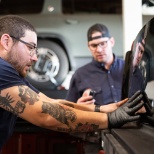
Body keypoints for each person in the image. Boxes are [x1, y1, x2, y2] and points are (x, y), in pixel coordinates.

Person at [0, 15, 144, 152]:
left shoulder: (10, 74)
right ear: (6, 42)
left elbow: (51, 103)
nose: (35, 58)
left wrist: (105, 109)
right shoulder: (1, 70)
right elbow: (45, 113)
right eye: (30, 47)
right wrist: (111, 119)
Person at [66, 23, 125, 153]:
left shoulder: (128, 69)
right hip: (95, 142)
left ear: (112, 42)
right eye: (94, 45)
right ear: (89, 47)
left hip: (128, 137)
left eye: (103, 43)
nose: (98, 49)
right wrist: (78, 107)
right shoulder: (80, 75)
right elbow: (68, 114)